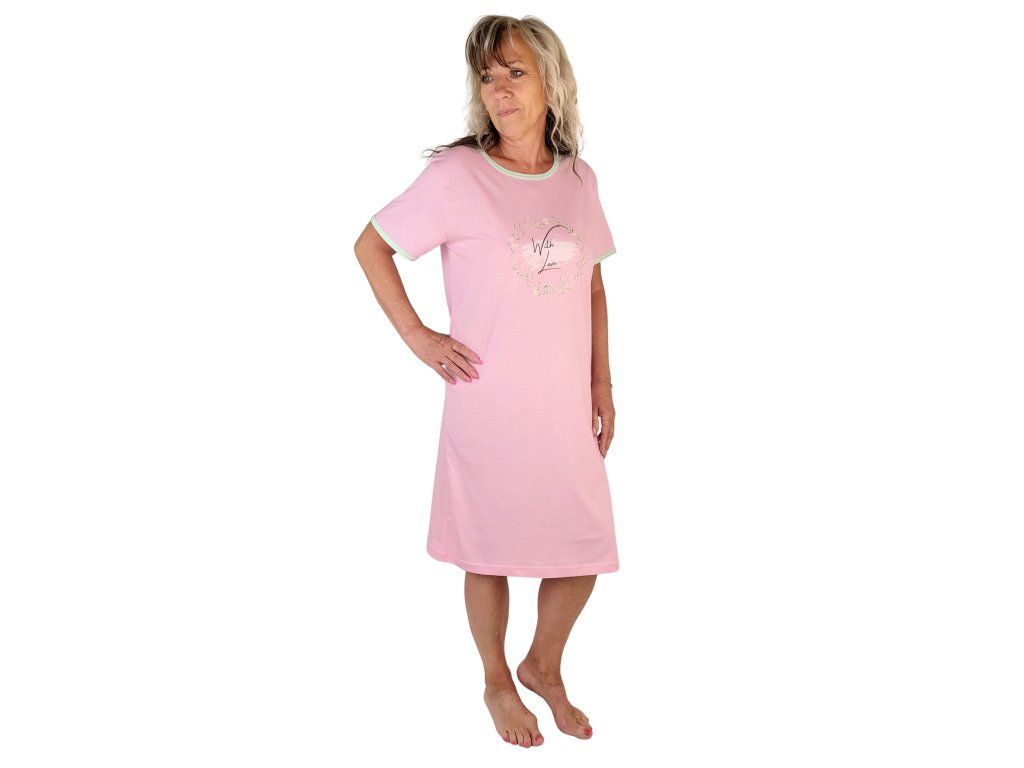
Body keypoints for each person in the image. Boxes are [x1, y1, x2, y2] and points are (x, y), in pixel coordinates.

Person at [354, 15, 619, 749]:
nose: (500, 89)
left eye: (516, 72)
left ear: (550, 82)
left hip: (564, 406)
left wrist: (601, 383)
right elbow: (371, 245)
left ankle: (543, 665)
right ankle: (498, 679)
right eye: (487, 75)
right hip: (488, 403)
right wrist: (418, 336)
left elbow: (593, 284)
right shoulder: (456, 175)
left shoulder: (578, 178)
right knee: (489, 549)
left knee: (585, 545)